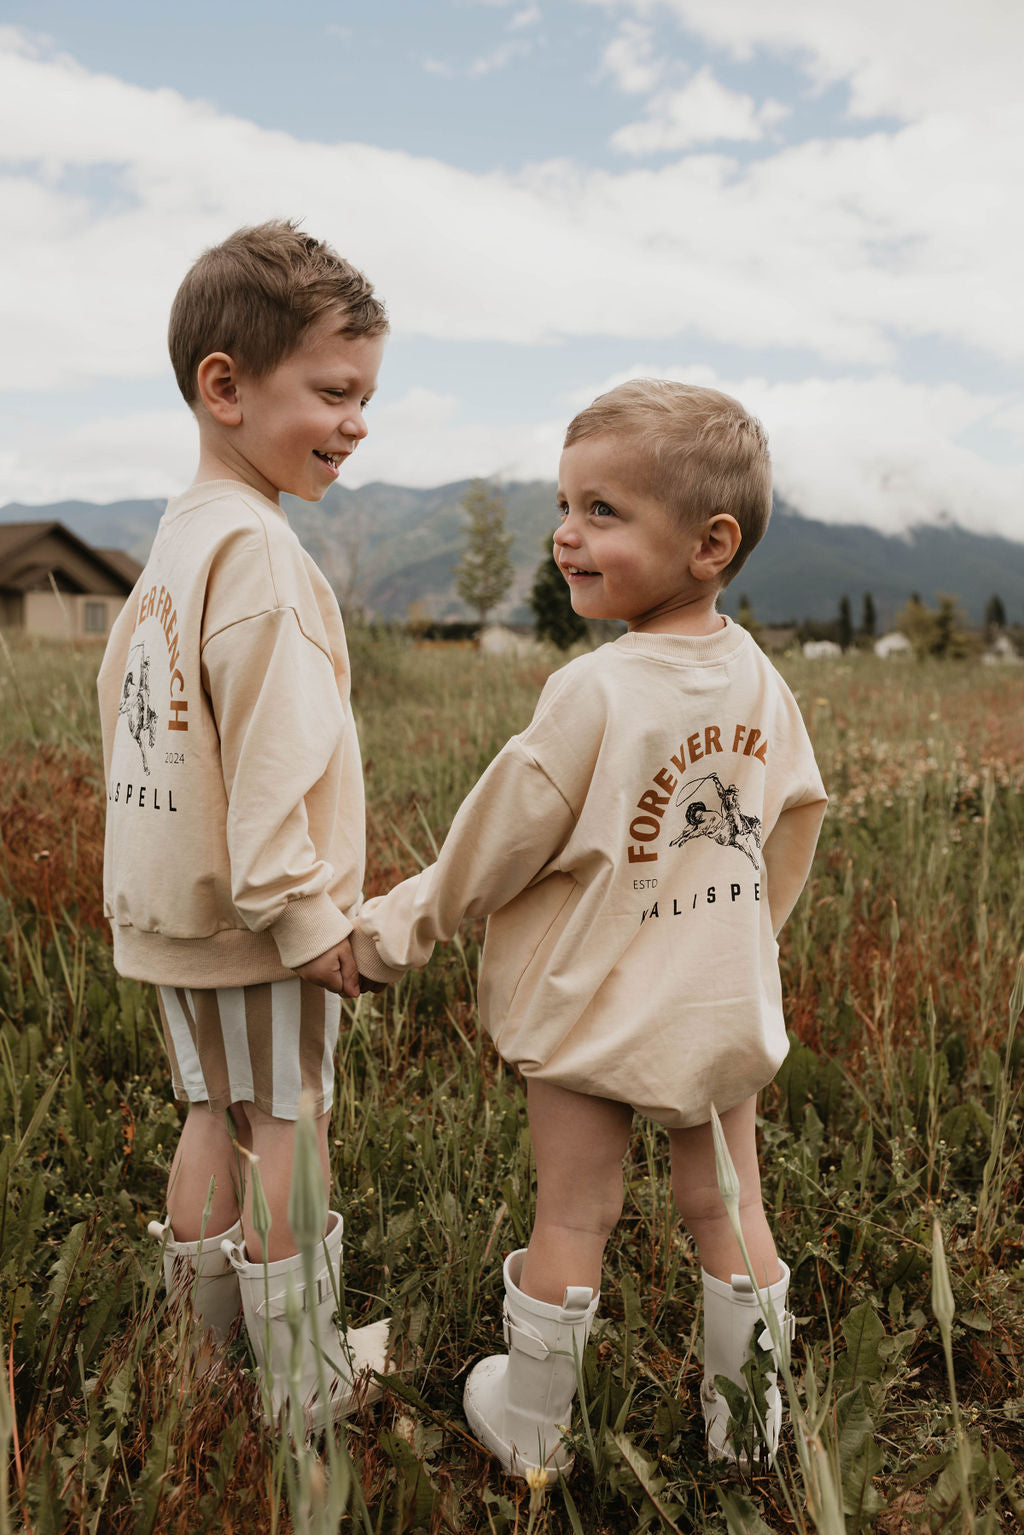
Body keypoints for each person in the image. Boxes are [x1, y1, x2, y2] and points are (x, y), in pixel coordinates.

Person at [350, 380, 827, 1480]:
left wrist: (383, 938)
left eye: (603, 510)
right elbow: (791, 819)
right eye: (565, 505)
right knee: (731, 1207)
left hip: (586, 1014)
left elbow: (484, 851)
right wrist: (742, 945)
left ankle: (533, 1425)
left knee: (573, 1214)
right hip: (716, 1010)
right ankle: (745, 1428)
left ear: (712, 541)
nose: (566, 533)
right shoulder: (760, 677)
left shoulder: (592, 691)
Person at [98, 220, 390, 1428]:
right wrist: (302, 912)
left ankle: (197, 1356)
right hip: (263, 919)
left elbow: (131, 713)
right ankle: (300, 1381)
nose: (357, 422)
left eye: (365, 396)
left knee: (208, 1113)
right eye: (332, 390)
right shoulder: (261, 556)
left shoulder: (175, 543)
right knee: (288, 1121)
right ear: (225, 385)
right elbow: (272, 753)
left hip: (171, 908)